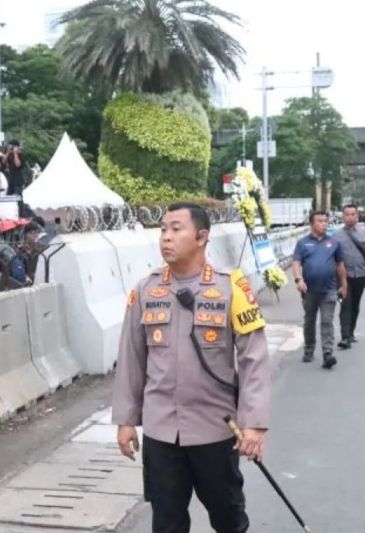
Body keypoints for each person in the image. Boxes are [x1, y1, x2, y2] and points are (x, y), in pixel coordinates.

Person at [112, 202, 270, 533]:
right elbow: (131, 358)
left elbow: (253, 358)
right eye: (163, 229)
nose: (166, 237)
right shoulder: (145, 290)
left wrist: (254, 424)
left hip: (215, 429)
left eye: (176, 229)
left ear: (201, 237)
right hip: (161, 433)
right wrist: (127, 420)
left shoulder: (231, 288)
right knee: (166, 522)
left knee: (228, 518)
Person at [292, 211, 348, 369]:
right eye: (320, 221)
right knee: (309, 321)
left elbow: (340, 265)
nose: (324, 223)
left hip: (329, 290)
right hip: (309, 291)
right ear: (312, 224)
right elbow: (296, 263)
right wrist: (298, 279)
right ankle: (309, 349)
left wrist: (343, 284)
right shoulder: (303, 243)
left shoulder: (333, 243)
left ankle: (327, 354)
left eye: (325, 221)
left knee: (326, 321)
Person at [332, 205, 365, 350]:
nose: (350, 217)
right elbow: (332, 258)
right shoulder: (336, 235)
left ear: (357, 216)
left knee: (355, 305)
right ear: (343, 216)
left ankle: (351, 332)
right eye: (347, 214)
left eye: (353, 214)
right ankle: (345, 337)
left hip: (360, 275)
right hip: (343, 276)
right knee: (346, 305)